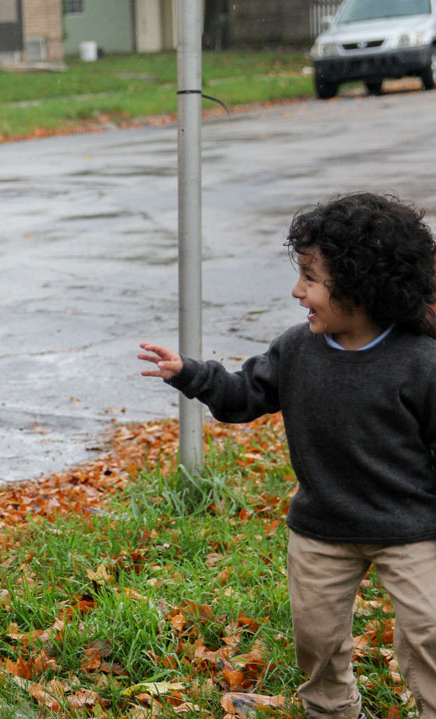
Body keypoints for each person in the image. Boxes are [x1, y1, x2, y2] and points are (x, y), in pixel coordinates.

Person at [138, 192, 436, 719]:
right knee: (316, 638)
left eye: (311, 278)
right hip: (323, 530)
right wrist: (191, 373)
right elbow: (241, 398)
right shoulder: (297, 349)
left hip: (414, 530)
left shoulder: (421, 361)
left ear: (362, 284)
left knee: (429, 634)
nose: (297, 291)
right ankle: (333, 710)